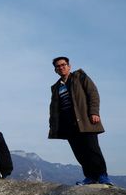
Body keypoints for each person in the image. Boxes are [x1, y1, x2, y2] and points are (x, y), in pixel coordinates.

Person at [48, 56, 113, 186]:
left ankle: (102, 175)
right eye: (58, 66)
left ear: (69, 66)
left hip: (84, 121)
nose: (61, 67)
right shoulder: (56, 87)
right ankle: (89, 176)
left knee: (92, 149)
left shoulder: (80, 77)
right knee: (80, 152)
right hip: (68, 124)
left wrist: (94, 112)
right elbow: (54, 108)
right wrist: (53, 124)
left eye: (63, 65)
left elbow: (93, 93)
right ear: (55, 70)